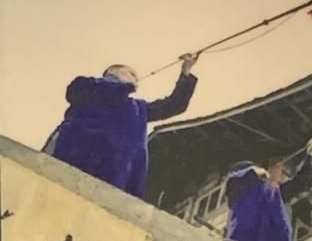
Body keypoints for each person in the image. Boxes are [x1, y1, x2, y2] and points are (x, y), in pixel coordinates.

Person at [49, 54, 200, 197]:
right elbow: (74, 92)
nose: (135, 80)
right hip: (74, 164)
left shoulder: (138, 108)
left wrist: (185, 72)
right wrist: (115, 85)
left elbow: (174, 105)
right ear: (112, 72)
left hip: (115, 179)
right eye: (131, 73)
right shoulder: (90, 88)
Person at [225, 138, 312, 241]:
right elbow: (234, 179)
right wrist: (252, 171)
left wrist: (309, 156)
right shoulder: (240, 189)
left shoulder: (272, 193)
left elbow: (298, 182)